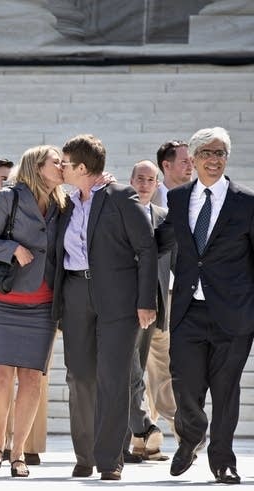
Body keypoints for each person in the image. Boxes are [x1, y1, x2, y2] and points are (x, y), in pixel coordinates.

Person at [52, 134, 158, 481]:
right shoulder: (65, 201)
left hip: (118, 299)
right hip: (74, 293)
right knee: (80, 376)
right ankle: (85, 455)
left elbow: (146, 248)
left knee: (113, 378)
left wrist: (146, 301)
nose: (62, 168)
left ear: (82, 167)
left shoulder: (120, 196)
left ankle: (109, 458)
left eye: (66, 163)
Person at [158, 127, 254, 485]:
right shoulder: (179, 199)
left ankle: (223, 461)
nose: (214, 161)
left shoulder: (246, 202)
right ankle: (193, 432)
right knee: (184, 384)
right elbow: (164, 240)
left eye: (221, 154)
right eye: (208, 154)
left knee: (227, 390)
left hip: (233, 314)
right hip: (188, 311)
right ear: (194, 159)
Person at [0, 145, 65, 478]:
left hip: (42, 305)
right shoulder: (9, 198)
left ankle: (19, 451)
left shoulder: (61, 202)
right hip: (3, 300)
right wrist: (13, 248)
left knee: (30, 380)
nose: (62, 166)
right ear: (37, 167)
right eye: (56, 162)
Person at [123, 159, 174, 463]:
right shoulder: (116, 215)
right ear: (130, 181)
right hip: (121, 305)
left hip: (152, 307)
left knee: (139, 371)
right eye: (139, 179)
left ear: (157, 186)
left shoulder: (164, 218)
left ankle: (138, 442)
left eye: (149, 180)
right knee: (129, 373)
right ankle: (144, 427)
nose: (143, 185)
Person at [152, 140, 193, 208]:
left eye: (192, 161)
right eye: (184, 162)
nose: (191, 167)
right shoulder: (149, 198)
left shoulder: (202, 197)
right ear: (167, 165)